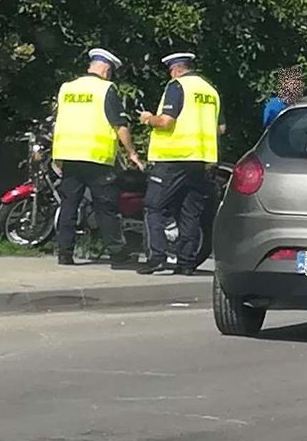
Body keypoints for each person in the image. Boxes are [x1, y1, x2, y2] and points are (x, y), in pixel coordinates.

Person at [51, 48, 142, 266]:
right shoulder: (105, 89)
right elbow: (119, 125)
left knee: (69, 205)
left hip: (69, 155)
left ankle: (64, 253)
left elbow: (59, 120)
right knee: (106, 208)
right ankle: (117, 253)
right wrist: (132, 153)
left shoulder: (67, 88)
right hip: (96, 159)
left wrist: (57, 157)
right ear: (106, 69)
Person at [137, 52, 225, 276]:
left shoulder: (177, 86)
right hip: (201, 160)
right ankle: (186, 263)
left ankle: (156, 257)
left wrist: (148, 118)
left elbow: (166, 121)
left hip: (173, 158)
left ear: (175, 69)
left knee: (153, 206)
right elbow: (221, 128)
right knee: (189, 212)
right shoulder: (210, 90)